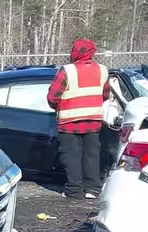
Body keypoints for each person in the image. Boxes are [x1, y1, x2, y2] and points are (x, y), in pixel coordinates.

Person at [47, 38, 110, 199]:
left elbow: (53, 96)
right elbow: (105, 94)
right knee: (92, 155)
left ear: (74, 52)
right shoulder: (102, 70)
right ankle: (93, 189)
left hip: (69, 121)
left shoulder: (67, 70)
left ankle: (74, 190)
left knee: (71, 157)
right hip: (93, 120)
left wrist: (58, 107)